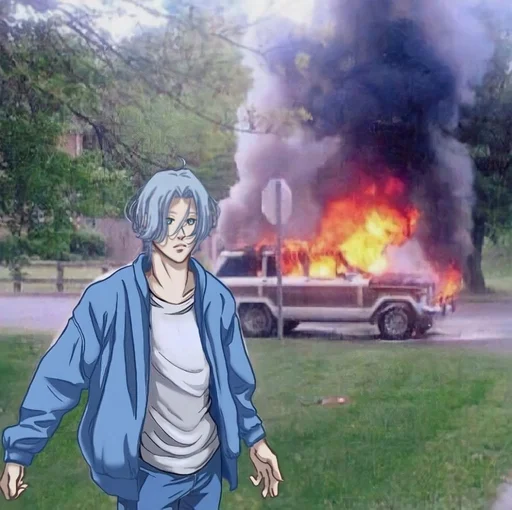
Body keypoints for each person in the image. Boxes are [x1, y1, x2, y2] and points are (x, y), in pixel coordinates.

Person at [0, 165, 283, 509]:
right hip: (148, 477)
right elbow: (60, 375)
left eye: (190, 222)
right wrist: (20, 451)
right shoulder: (109, 298)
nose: (180, 233)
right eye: (169, 220)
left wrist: (256, 440)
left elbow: (236, 384)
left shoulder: (216, 299)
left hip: (206, 472)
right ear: (150, 222)